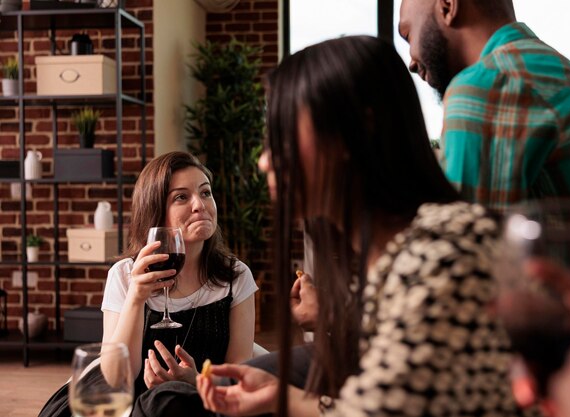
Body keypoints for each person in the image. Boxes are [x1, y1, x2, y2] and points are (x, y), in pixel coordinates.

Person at [196, 35, 536, 417]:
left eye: (280, 137)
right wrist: (283, 397)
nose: (263, 162)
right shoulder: (390, 257)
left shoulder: (443, 258)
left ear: (354, 130)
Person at [38, 151, 258, 417]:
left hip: (198, 400)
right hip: (125, 403)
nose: (199, 205)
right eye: (181, 197)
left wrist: (195, 381)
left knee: (171, 403)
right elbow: (116, 376)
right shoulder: (124, 274)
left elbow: (238, 376)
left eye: (205, 192)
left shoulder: (236, 277)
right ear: (155, 210)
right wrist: (135, 297)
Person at [398, 0, 570, 222]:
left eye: (408, 36)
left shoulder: (488, 82)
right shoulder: (558, 70)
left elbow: (461, 250)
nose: (411, 62)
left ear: (448, 7)